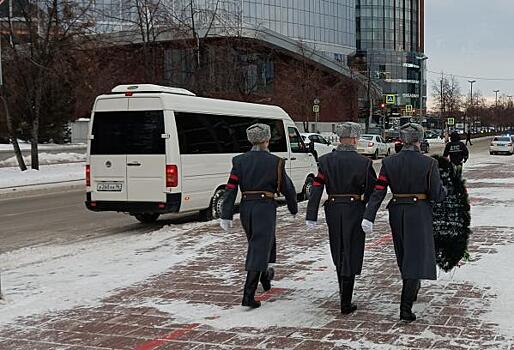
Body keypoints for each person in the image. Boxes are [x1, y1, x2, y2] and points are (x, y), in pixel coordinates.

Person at [361, 123, 447, 322]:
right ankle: (406, 306)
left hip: (397, 211)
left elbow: (379, 190)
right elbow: (436, 193)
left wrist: (369, 215)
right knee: (415, 256)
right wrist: (445, 190)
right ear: (419, 139)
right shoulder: (429, 163)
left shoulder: (389, 162)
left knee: (403, 253)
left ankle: (412, 284)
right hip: (418, 212)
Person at [220, 123, 298, 309]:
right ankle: (248, 295)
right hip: (265, 207)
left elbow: (230, 188)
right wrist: (293, 207)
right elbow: (288, 187)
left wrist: (226, 214)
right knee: (259, 246)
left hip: (247, 207)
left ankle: (265, 279)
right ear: (266, 140)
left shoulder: (239, 161)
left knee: (260, 243)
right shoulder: (275, 162)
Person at [305, 122, 377, 314]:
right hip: (355, 208)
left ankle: (342, 291)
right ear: (354, 139)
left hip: (333, 209)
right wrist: (366, 207)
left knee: (338, 248)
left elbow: (317, 188)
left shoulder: (326, 161)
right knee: (352, 249)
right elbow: (372, 189)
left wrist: (311, 214)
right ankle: (346, 300)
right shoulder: (364, 163)